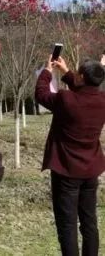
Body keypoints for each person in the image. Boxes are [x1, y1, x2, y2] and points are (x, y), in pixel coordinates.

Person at [35, 56, 105, 256]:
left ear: (81, 76)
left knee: (67, 225)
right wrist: (66, 72)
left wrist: (47, 71)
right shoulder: (102, 100)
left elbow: (41, 94)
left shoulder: (66, 99)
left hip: (66, 171)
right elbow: (85, 91)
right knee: (89, 222)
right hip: (91, 170)